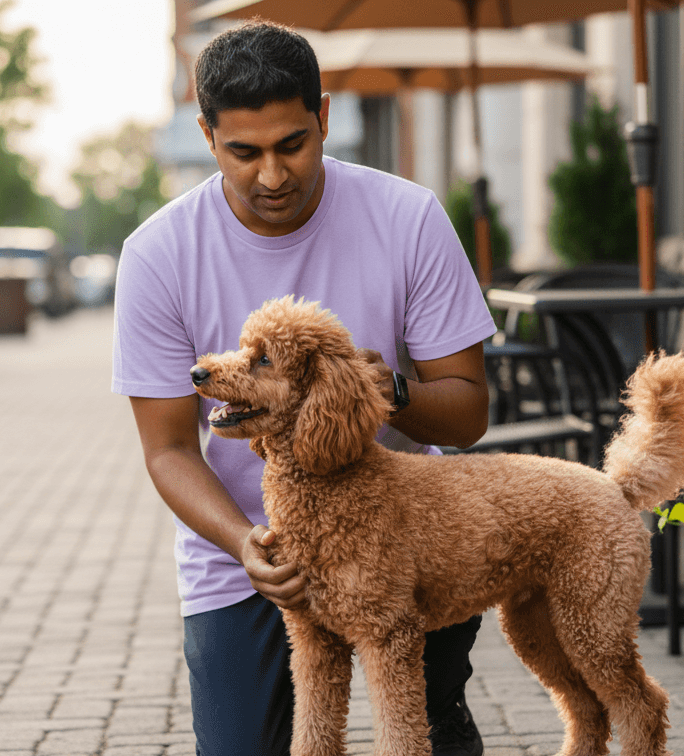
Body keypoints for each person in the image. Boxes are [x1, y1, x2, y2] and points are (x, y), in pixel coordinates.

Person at [111, 21, 496, 756]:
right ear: (206, 135)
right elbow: (167, 451)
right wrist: (246, 543)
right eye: (244, 152)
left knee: (421, 726)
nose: (272, 176)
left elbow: (470, 412)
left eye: (292, 143)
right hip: (245, 552)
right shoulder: (158, 254)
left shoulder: (408, 217)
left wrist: (401, 395)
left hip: (405, 534)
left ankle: (442, 715)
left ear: (323, 116)